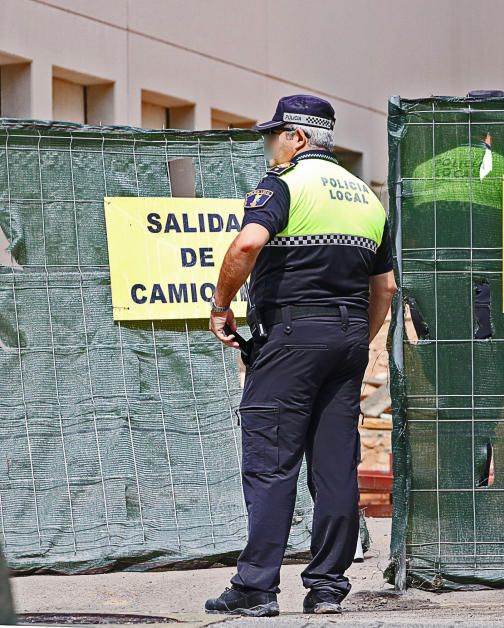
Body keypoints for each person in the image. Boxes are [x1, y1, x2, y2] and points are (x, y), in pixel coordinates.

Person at [205, 94, 397, 616]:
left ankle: (255, 587)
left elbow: (246, 246)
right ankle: (327, 588)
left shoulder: (284, 184)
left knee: (270, 459)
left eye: (275, 134)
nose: (269, 144)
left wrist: (220, 305)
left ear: (299, 137)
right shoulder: (364, 197)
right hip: (349, 337)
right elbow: (384, 287)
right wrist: (357, 333)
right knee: (336, 466)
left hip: (290, 336)